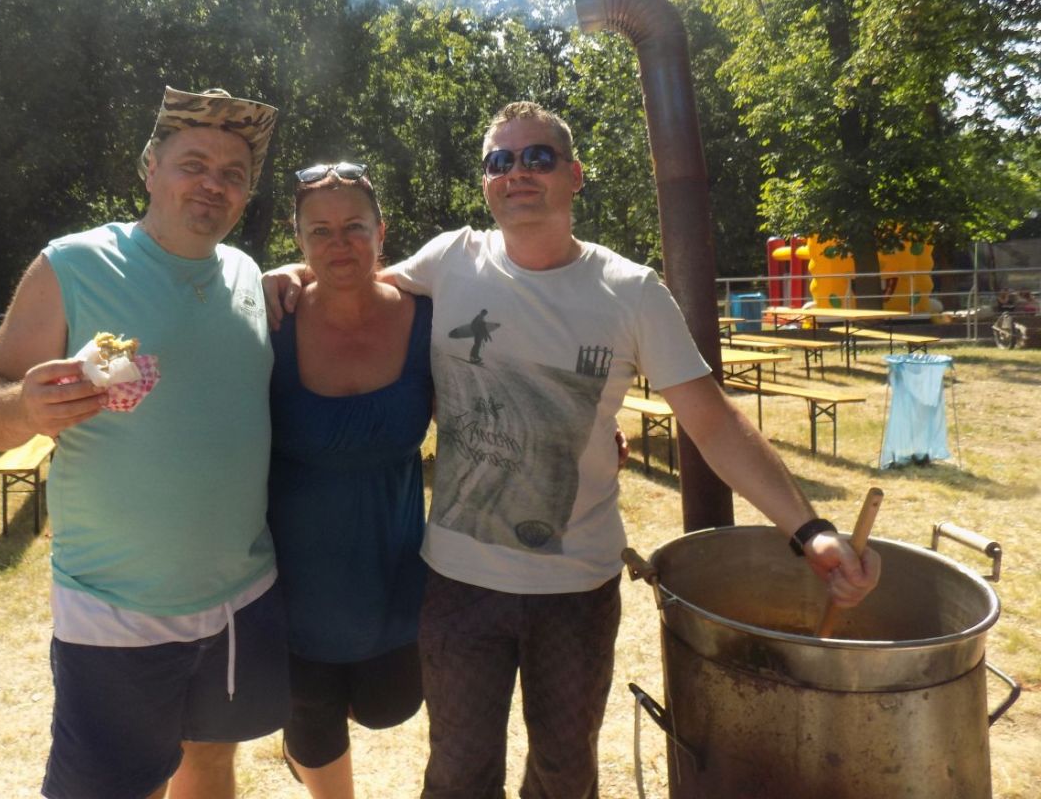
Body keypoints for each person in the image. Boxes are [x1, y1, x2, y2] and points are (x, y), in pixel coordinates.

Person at [267, 101, 881, 799]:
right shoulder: (452, 259)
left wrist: (810, 529)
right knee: (458, 775)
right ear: (485, 181)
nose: (517, 173)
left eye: (538, 157)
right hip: (459, 582)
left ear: (575, 175)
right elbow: (351, 271)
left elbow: (712, 422)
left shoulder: (630, 292)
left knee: (565, 774)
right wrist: (288, 272)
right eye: (500, 161)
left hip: (575, 588)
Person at [0, 86, 288, 799]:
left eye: (233, 174)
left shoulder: (247, 275)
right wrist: (23, 408)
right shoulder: (74, 265)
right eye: (193, 164)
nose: (213, 184)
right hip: (115, 611)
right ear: (150, 168)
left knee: (211, 763)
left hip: (240, 595)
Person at [268, 160, 432, 798]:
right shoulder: (270, 321)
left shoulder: (427, 317)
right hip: (293, 578)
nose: (339, 244)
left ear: (381, 231)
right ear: (299, 239)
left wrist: (587, 437)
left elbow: (493, 392)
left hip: (396, 568)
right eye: (320, 231)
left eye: (354, 227)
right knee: (313, 718)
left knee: (389, 706)